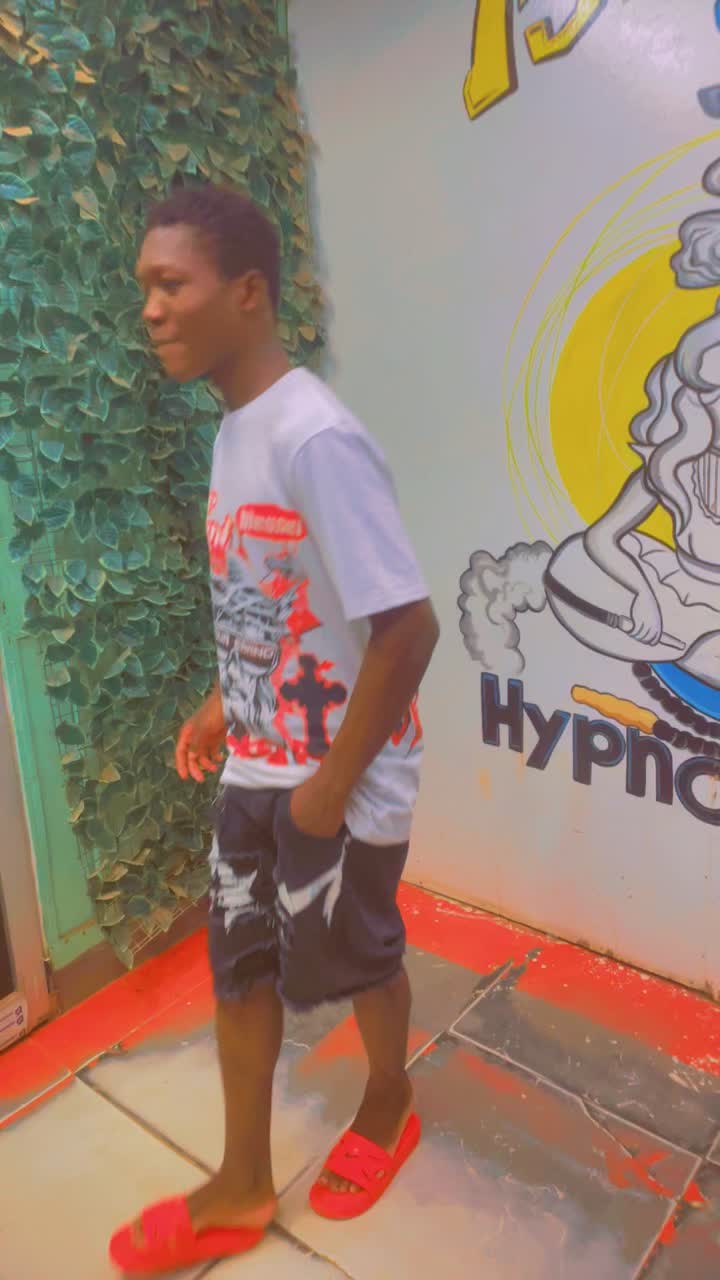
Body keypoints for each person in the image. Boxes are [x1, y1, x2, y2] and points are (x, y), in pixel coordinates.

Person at [110, 185, 439, 1274]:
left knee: (359, 956)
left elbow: (407, 628)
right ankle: (242, 1179)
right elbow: (275, 589)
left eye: (172, 283)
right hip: (261, 761)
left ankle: (389, 1098)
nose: (151, 308)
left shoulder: (316, 436)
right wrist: (224, 697)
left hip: (343, 775)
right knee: (240, 962)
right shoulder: (238, 429)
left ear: (247, 293)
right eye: (145, 286)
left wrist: (328, 792)